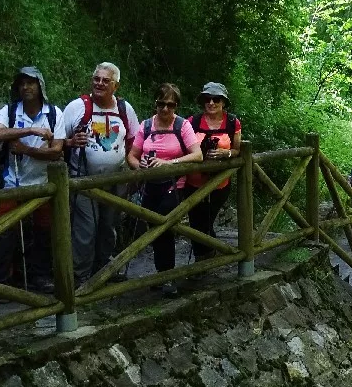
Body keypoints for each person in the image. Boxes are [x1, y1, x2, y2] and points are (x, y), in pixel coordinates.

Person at [0, 67, 63, 297]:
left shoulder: (54, 114)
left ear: (40, 86)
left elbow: (57, 151)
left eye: (31, 83)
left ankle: (41, 277)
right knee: (3, 233)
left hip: (44, 183)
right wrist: (28, 130)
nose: (26, 87)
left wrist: (25, 150)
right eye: (22, 83)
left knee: (44, 234)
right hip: (13, 182)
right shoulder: (9, 112)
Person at [58, 62, 139, 284]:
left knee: (108, 226)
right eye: (96, 79)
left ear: (116, 85)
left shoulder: (124, 109)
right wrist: (71, 142)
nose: (99, 84)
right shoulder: (77, 107)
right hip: (82, 180)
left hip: (115, 179)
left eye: (105, 80)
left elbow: (134, 141)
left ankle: (104, 268)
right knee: (86, 230)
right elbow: (57, 144)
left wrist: (134, 172)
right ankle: (80, 277)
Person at [128, 83, 202, 292]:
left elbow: (197, 155)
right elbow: (132, 155)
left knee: (164, 226)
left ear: (176, 106)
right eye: (161, 104)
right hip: (149, 186)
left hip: (174, 185)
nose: (165, 109)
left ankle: (167, 276)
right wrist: (139, 165)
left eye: (170, 105)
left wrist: (169, 164)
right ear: (156, 104)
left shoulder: (182, 126)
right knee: (154, 228)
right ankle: (162, 274)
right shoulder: (146, 126)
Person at [186, 82, 242, 264]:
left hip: (219, 183)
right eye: (207, 99)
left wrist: (225, 153)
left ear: (224, 102)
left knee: (206, 220)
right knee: (195, 221)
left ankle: (205, 258)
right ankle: (204, 257)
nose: (211, 103)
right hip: (192, 182)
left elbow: (237, 151)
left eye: (216, 99)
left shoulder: (233, 123)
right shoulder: (191, 122)